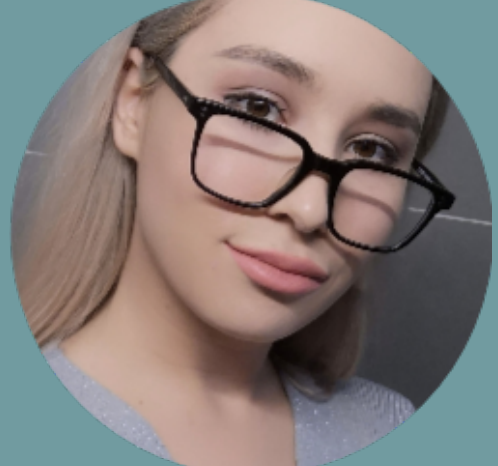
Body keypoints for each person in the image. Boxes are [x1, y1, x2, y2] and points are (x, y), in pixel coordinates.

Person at [16, 0, 456, 465]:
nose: (310, 210)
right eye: (257, 108)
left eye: (372, 150)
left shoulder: (387, 426)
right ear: (133, 104)